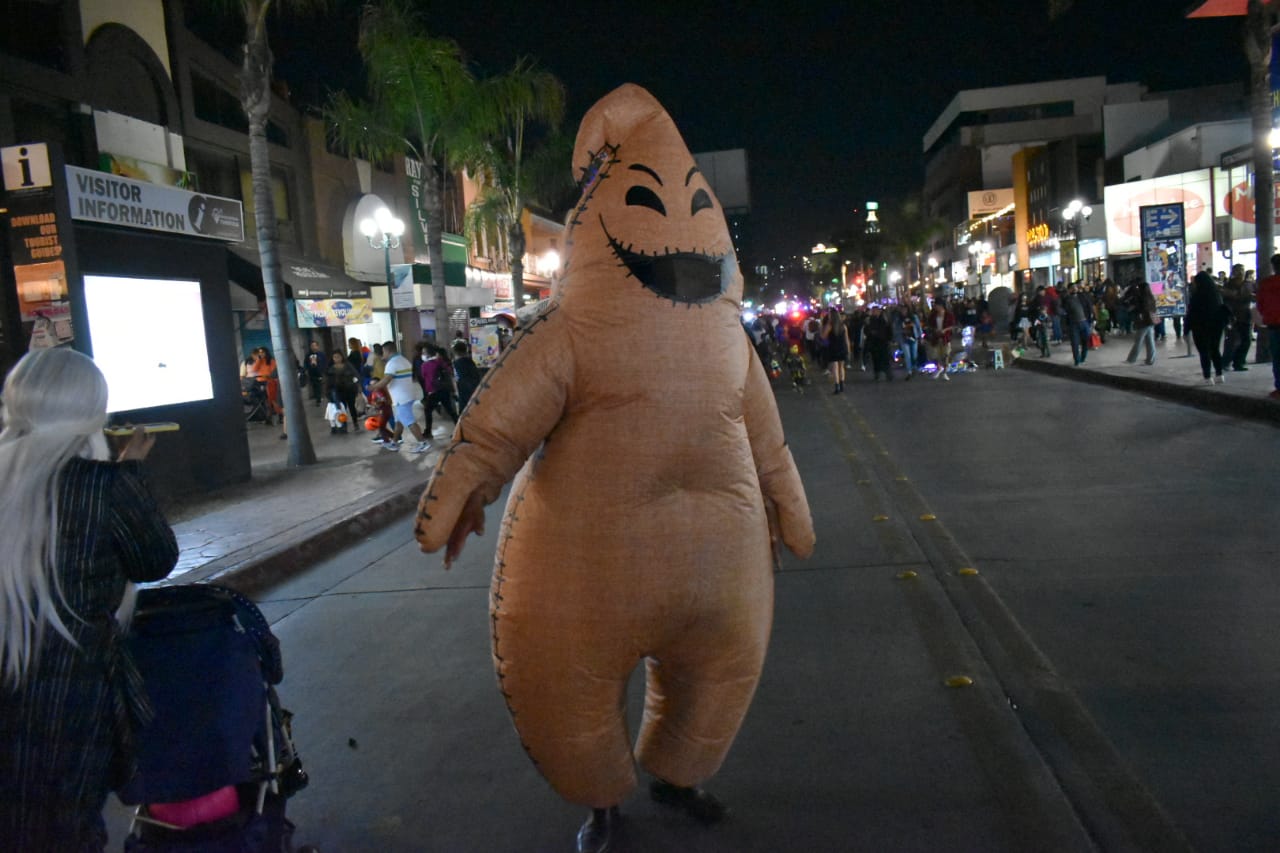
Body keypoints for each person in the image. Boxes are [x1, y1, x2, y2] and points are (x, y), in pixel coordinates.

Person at [0, 348, 179, 851]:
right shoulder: (103, 486)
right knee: (66, 829)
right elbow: (155, 559)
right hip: (68, 699)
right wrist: (130, 478)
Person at [371, 340, 429, 453]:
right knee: (399, 421)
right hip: (406, 395)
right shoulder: (404, 360)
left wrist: (373, 387)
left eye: (383, 351)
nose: (383, 354)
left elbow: (386, 380)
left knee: (409, 421)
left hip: (401, 398)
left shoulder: (392, 364)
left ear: (387, 351)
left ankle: (423, 443)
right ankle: (394, 443)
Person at [1186, 271, 1228, 385]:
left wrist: (1186, 328)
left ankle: (1207, 377)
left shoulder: (1197, 295)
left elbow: (1192, 313)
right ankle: (1219, 375)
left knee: (1204, 351)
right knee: (1215, 349)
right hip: (1216, 326)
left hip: (1200, 327)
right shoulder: (1216, 294)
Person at [1254, 253, 1280, 400]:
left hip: (1274, 325)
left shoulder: (1266, 284)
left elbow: (1260, 305)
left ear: (1273, 266)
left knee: (1277, 358)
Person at [419, 344, 459, 440]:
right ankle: (460, 428)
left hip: (434, 391)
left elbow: (424, 376)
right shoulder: (440, 361)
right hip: (444, 389)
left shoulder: (425, 365)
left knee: (427, 410)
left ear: (428, 354)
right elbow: (449, 371)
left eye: (424, 352)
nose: (422, 354)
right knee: (450, 411)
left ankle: (428, 432)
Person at [1223, 263, 1255, 371]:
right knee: (1232, 341)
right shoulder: (1229, 285)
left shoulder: (1248, 284)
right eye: (1238, 270)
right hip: (1233, 316)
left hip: (1246, 316)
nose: (1240, 272)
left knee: (1246, 340)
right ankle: (1226, 362)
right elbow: (1228, 298)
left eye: (1242, 270)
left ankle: (1238, 362)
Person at [247, 347, 286, 437]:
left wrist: (267, 376)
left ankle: (280, 415)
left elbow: (273, 372)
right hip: (260, 382)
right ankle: (268, 416)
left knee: (273, 400)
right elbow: (254, 370)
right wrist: (258, 360)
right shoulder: (259, 361)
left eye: (262, 352)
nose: (261, 354)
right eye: (259, 352)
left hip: (270, 382)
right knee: (264, 401)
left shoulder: (271, 361)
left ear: (266, 352)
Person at [325, 349, 361, 433]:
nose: (336, 359)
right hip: (338, 391)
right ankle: (343, 425)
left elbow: (356, 375)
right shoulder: (331, 369)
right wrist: (328, 392)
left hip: (350, 390)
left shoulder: (348, 366)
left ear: (342, 357)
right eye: (335, 357)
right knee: (341, 408)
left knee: (352, 407)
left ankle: (355, 423)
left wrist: (357, 387)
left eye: (338, 357)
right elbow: (328, 382)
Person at [1124, 281, 1158, 366]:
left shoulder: (1142, 299)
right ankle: (1151, 359)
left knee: (1139, 340)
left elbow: (1139, 309)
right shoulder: (1151, 297)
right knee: (1150, 340)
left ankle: (1132, 359)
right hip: (1151, 320)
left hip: (1144, 321)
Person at [821, 306, 850, 392]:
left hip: (833, 347)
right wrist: (848, 350)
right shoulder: (843, 326)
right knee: (842, 367)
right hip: (842, 347)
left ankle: (836, 385)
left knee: (835, 367)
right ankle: (842, 384)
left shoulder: (829, 326)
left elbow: (823, 336)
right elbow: (847, 339)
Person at [865, 304, 893, 381]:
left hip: (883, 341)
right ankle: (877, 373)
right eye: (873, 311)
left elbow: (889, 329)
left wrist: (889, 339)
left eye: (875, 311)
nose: (874, 312)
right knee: (875, 359)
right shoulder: (870, 320)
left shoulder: (884, 319)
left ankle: (888, 373)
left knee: (885, 358)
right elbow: (866, 330)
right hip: (874, 342)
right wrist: (870, 333)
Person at [451, 339, 482, 411]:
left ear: (456, 352)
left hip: (464, 391)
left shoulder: (458, 363)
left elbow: (460, 378)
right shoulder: (470, 361)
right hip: (474, 389)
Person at [302, 340, 327, 406]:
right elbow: (306, 363)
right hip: (312, 373)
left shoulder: (321, 354)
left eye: (315, 345)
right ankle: (317, 397)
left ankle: (318, 399)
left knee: (319, 385)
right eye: (312, 346)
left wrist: (323, 370)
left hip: (319, 372)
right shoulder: (308, 355)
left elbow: (324, 363)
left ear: (317, 346)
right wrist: (305, 370)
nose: (313, 347)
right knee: (314, 386)